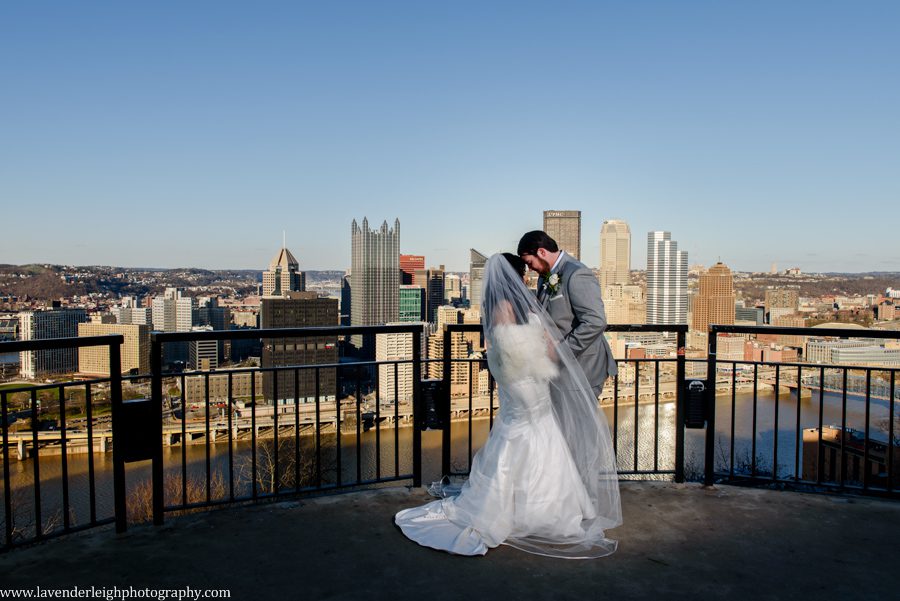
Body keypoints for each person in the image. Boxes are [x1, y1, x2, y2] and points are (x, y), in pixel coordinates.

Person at [394, 253, 621, 558]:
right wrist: (544, 349)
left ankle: (542, 506)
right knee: (527, 429)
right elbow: (510, 346)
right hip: (525, 379)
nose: (527, 275)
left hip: (529, 377)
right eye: (523, 271)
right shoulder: (504, 306)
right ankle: (526, 511)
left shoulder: (509, 301)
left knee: (534, 431)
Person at [518, 231, 617, 395]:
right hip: (560, 372)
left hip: (584, 369)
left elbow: (595, 322)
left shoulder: (577, 273)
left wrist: (560, 351)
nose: (530, 268)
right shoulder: (545, 276)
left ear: (542, 252)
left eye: (530, 262)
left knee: (580, 421)